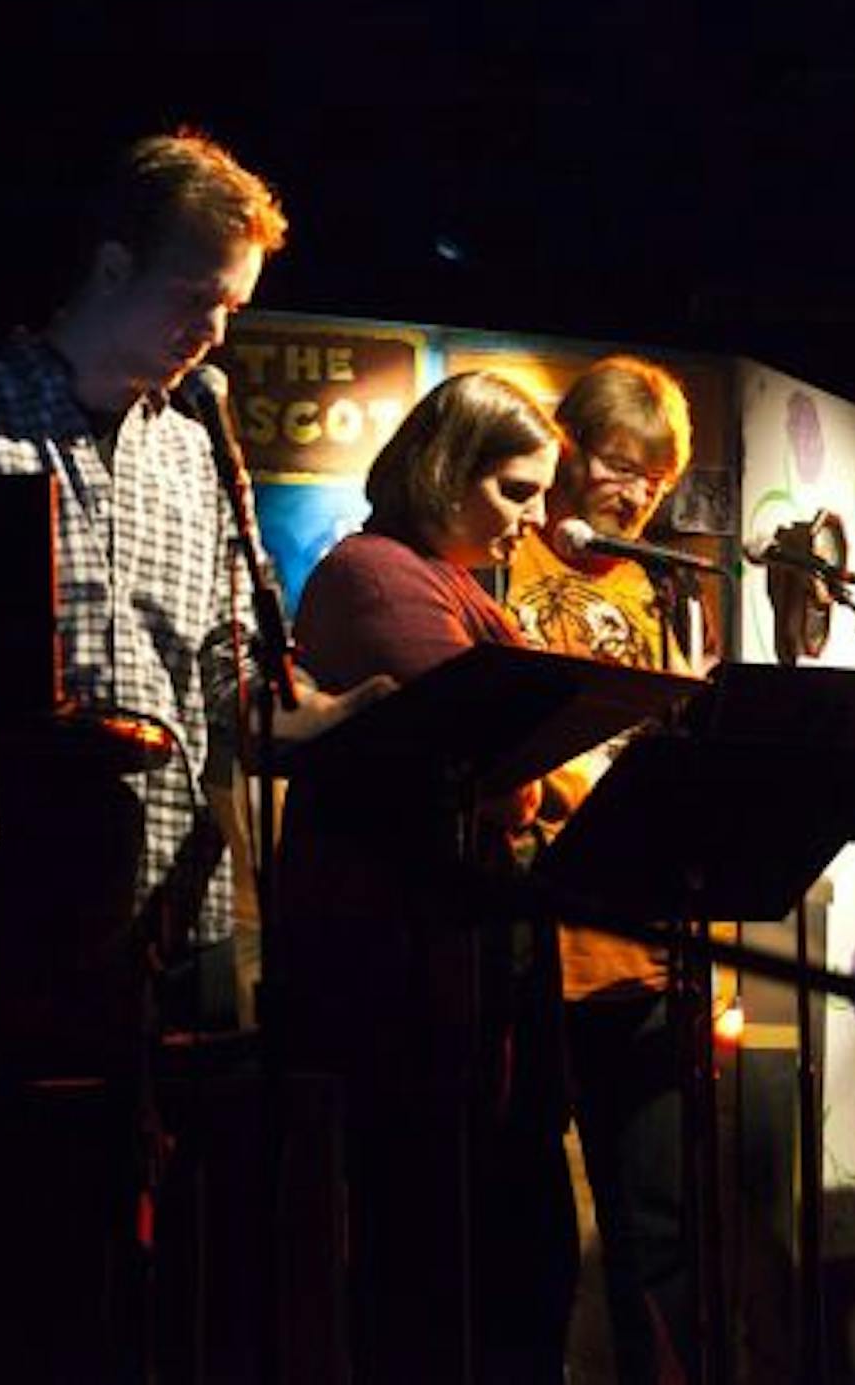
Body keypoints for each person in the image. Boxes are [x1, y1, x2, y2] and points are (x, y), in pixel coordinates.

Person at [0, 127, 383, 1374]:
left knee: (158, 1305)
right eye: (198, 300)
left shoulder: (198, 450)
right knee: (2, 1299)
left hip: (164, 949)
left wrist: (360, 717)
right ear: (111, 262)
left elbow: (239, 681)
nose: (217, 337)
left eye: (235, 310)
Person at [280, 370, 575, 1381]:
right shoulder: (377, 573)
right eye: (515, 490)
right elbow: (490, 761)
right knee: (432, 1244)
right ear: (445, 471)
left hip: (465, 961)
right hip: (400, 969)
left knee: (504, 1236)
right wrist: (540, 776)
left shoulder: (451, 586)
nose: (533, 518)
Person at [503, 354, 708, 1383]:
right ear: (569, 449)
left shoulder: (658, 588)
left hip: (644, 944)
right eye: (621, 468)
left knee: (658, 1221)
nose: (634, 496)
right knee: (528, 1221)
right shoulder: (506, 562)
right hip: (539, 939)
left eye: (655, 481)